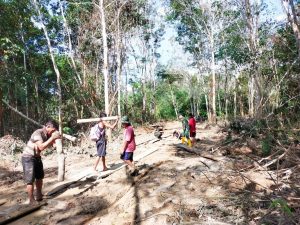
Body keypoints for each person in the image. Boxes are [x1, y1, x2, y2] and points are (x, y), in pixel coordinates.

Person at [22, 120, 61, 205]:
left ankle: (39, 195)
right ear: (47, 127)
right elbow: (41, 147)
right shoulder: (38, 133)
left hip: (37, 157)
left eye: (54, 131)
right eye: (53, 130)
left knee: (39, 177)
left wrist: (56, 138)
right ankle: (31, 199)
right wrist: (53, 137)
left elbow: (54, 145)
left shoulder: (48, 134)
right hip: (28, 157)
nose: (53, 132)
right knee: (30, 180)